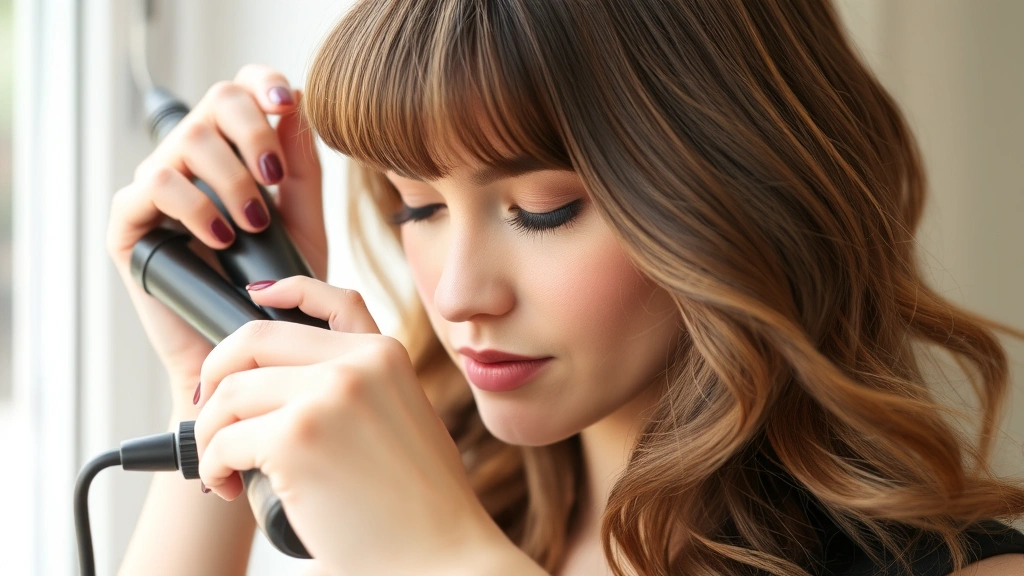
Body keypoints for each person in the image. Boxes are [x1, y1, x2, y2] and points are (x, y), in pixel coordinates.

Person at [106, 0, 1024, 574]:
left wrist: (442, 559)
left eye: (543, 210)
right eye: (414, 206)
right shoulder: (419, 488)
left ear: (741, 189)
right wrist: (224, 369)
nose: (459, 294)